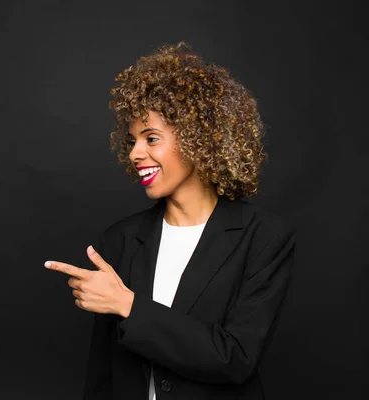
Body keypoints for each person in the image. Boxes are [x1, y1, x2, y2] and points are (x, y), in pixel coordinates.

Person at [44, 42, 296, 400]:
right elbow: (104, 372)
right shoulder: (120, 239)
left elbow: (235, 358)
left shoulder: (264, 238)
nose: (134, 153)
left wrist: (128, 305)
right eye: (132, 141)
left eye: (151, 138)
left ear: (199, 140)